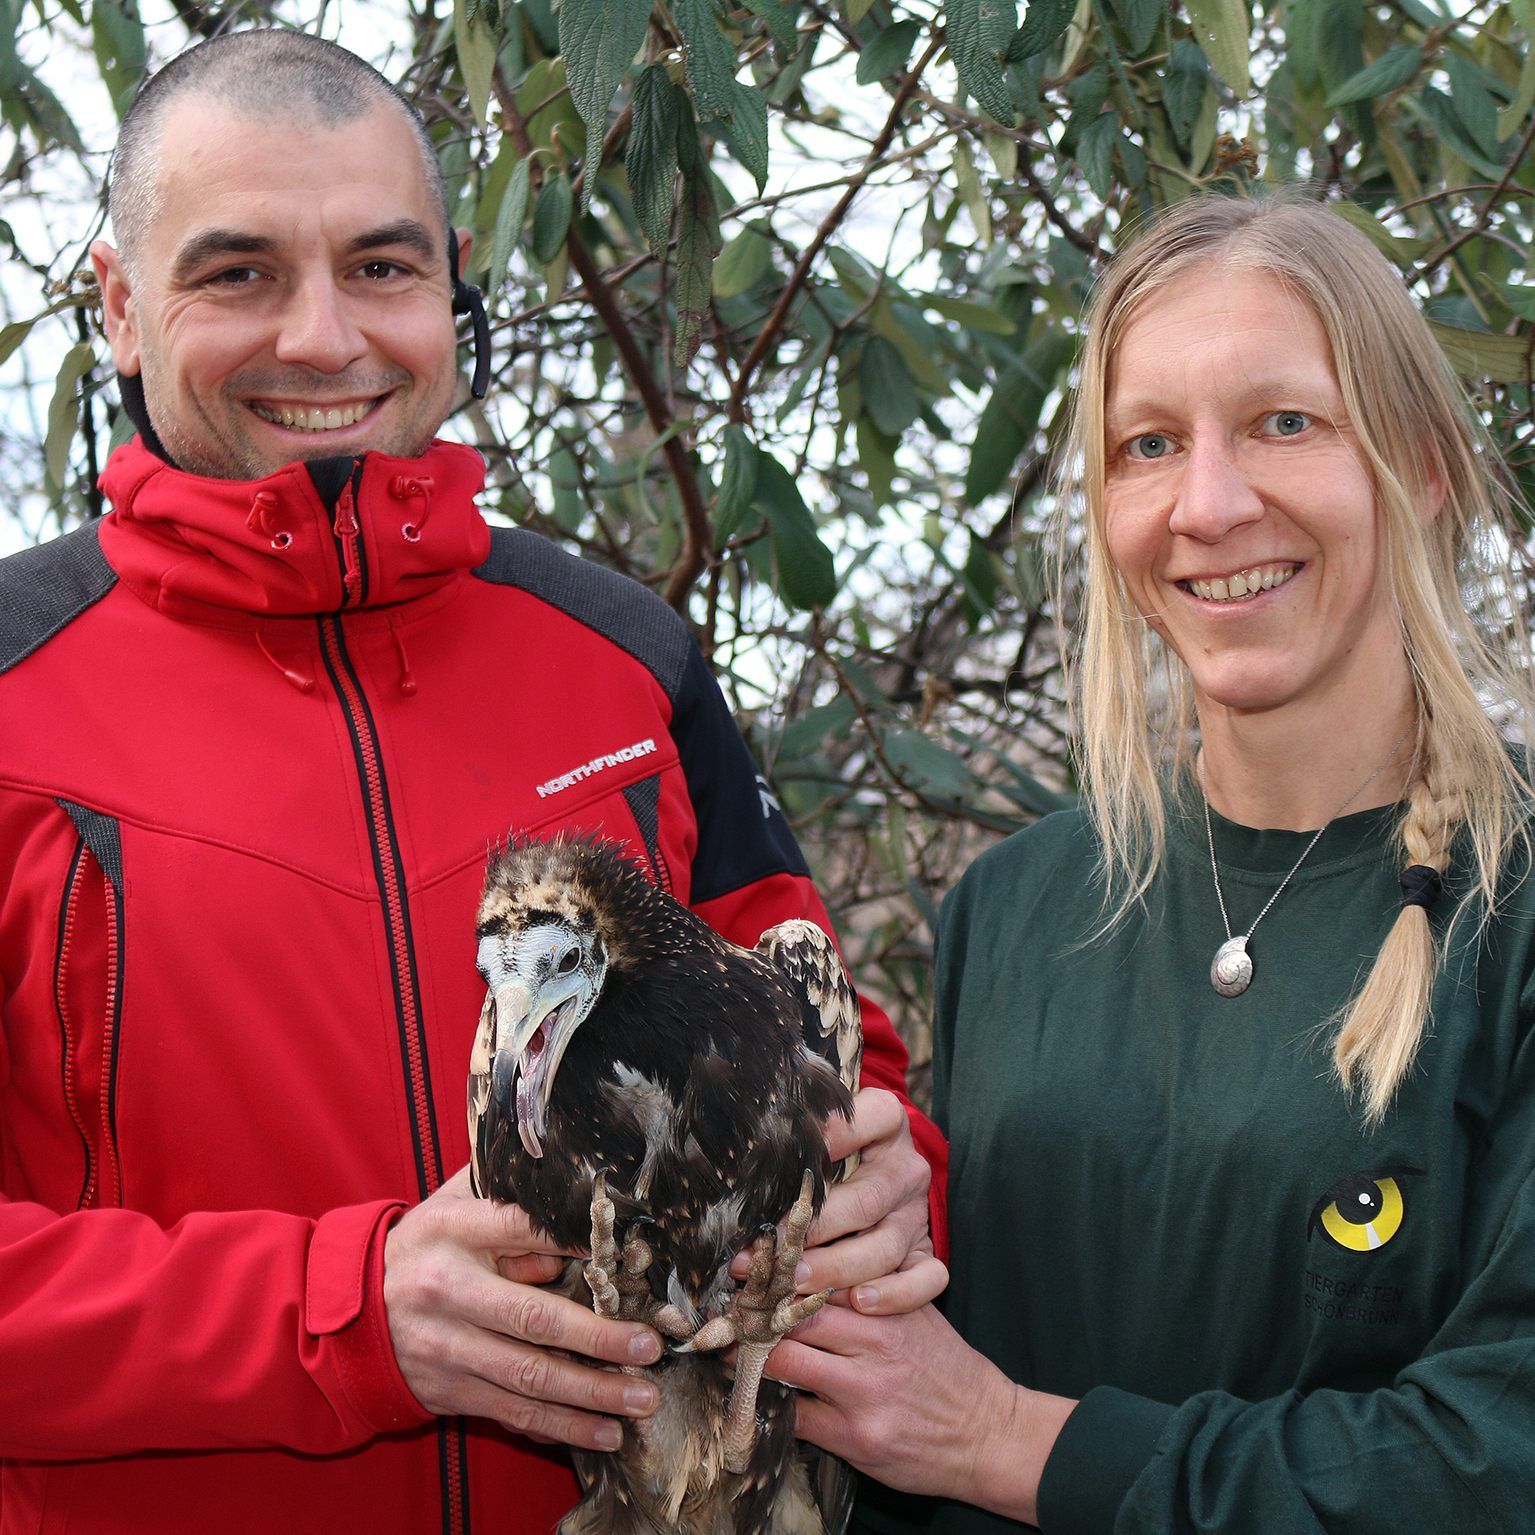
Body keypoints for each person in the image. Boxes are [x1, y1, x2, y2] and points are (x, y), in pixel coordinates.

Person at [0, 29, 947, 1535]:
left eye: (381, 267)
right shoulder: (13, 692)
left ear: (452, 283)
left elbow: (824, 1030)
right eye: (237, 273)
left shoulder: (622, 658)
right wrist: (342, 1314)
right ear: (120, 305)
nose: (325, 338)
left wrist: (896, 1184)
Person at [767, 193, 1535, 1533]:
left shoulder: (1511, 909)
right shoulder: (1017, 910)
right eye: (1150, 445)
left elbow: (1494, 1460)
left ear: (1419, 466)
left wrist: (1005, 1440)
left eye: (1284, 423)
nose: (1210, 504)